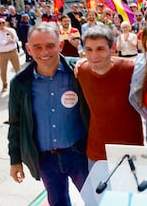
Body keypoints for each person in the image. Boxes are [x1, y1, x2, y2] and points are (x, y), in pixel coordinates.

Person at [8, 24, 89, 206]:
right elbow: (15, 123)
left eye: (50, 45)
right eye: (37, 47)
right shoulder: (20, 83)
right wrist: (15, 160)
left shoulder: (78, 71)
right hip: (46, 160)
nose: (44, 52)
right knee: (58, 202)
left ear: (60, 45)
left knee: (96, 200)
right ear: (28, 49)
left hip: (79, 154)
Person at [77, 26, 143, 165]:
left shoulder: (131, 69)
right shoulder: (81, 71)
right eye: (89, 49)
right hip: (96, 153)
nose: (94, 55)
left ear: (112, 48)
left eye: (100, 49)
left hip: (131, 153)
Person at [0, 18, 20, 91]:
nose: (2, 24)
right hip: (2, 54)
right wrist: (10, 41)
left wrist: (8, 31)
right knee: (3, 71)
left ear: (6, 23)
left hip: (12, 52)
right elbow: (0, 43)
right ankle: (4, 84)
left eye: (3, 22)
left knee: (17, 69)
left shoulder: (11, 30)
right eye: (0, 23)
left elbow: (16, 40)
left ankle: (20, 83)